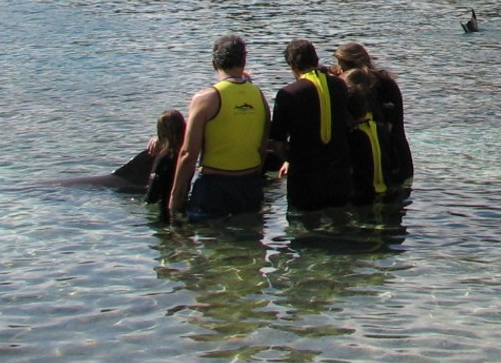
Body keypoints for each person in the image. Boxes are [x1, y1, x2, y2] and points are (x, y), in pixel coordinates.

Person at [168, 34, 269, 222]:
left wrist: (176, 198)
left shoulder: (206, 99)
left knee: (210, 244)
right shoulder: (259, 96)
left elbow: (188, 154)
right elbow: (262, 148)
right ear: (243, 62)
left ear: (215, 63)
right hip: (249, 187)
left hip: (215, 188)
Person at [269, 39, 352, 212]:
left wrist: (288, 160)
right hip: (339, 176)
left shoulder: (287, 94)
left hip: (305, 178)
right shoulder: (340, 85)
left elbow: (277, 142)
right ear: (316, 60)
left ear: (292, 65)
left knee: (303, 228)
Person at [334, 42, 413, 186]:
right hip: (376, 158)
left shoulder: (383, 84)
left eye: (341, 65)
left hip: (392, 157)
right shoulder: (353, 85)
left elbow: (387, 128)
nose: (339, 69)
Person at [144, 108, 186, 223]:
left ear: (161, 132)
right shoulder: (185, 156)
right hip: (183, 205)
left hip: (164, 212)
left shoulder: (163, 159)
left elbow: (152, 196)